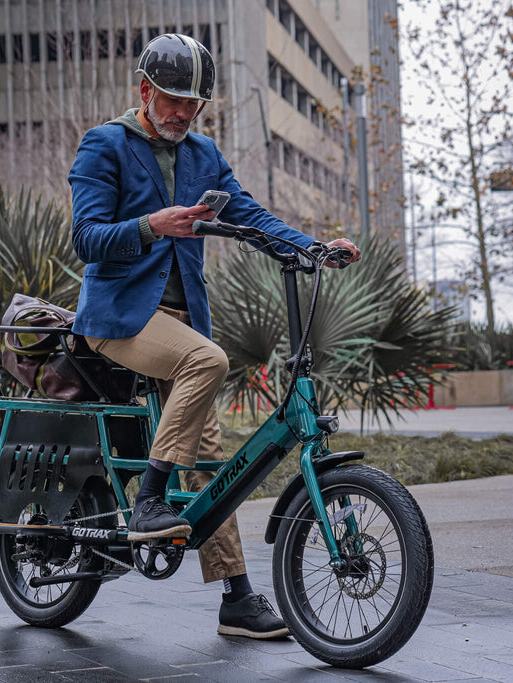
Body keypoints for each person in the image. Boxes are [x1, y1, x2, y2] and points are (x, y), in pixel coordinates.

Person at [67, 33, 360, 640]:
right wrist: (152, 225)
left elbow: (250, 214)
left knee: (207, 458)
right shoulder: (106, 145)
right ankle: (150, 497)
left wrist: (312, 247)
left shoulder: (203, 154)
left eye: (192, 103)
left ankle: (236, 598)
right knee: (208, 362)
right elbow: (87, 238)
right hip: (119, 319)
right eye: (172, 99)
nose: (181, 112)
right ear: (144, 91)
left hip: (180, 324)